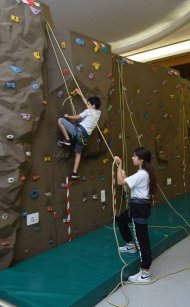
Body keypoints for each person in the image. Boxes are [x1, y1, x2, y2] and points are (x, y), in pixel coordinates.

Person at [114, 147, 157, 283]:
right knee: (121, 220)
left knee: (141, 239)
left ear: (141, 159)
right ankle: (130, 246)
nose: (132, 158)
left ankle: (145, 274)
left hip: (139, 208)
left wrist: (119, 165)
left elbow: (120, 182)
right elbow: (129, 183)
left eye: (134, 156)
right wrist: (124, 175)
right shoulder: (143, 173)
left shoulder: (142, 174)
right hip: (138, 207)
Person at [58, 89, 101, 180]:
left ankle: (67, 139)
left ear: (93, 106)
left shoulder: (88, 111)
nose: (87, 105)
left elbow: (77, 117)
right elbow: (88, 104)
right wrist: (81, 94)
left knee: (60, 121)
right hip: (84, 138)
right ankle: (74, 173)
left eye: (89, 104)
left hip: (78, 132)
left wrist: (68, 116)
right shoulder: (98, 113)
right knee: (78, 154)